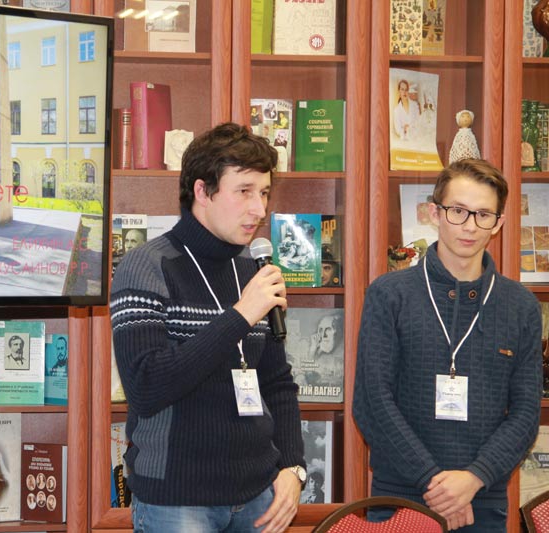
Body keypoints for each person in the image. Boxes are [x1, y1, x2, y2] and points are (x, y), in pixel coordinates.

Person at [110, 122, 306, 532]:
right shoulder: (147, 266)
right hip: (177, 500)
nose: (259, 209)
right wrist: (240, 315)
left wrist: (293, 467)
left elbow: (277, 382)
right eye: (244, 191)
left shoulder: (252, 268)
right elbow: (146, 386)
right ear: (202, 191)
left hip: (258, 494)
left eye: (264, 192)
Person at [353, 158, 542, 532]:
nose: (470, 226)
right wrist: (435, 483)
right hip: (400, 497)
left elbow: (525, 415)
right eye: (458, 211)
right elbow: (373, 404)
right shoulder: (389, 294)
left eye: (483, 215)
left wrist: (473, 478)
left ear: (499, 224)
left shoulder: (520, 306)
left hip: (482, 499)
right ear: (434, 213)